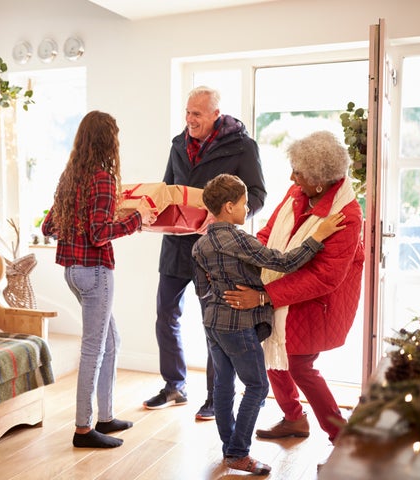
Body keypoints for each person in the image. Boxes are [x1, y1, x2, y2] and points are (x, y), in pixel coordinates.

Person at [192, 174, 345, 474]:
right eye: (244, 204)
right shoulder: (240, 240)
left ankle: (229, 448)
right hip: (238, 325)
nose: (247, 209)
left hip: (212, 322)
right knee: (258, 386)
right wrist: (317, 236)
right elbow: (284, 262)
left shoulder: (200, 244)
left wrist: (221, 290)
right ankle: (238, 453)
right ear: (228, 206)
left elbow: (202, 289)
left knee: (223, 385)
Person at [223, 131, 364, 445]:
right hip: (283, 290)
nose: (291, 177)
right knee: (270, 347)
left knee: (299, 363)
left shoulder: (348, 216)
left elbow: (325, 277)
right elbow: (268, 233)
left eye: (298, 172)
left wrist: (265, 295)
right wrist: (248, 260)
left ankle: (341, 435)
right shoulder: (296, 193)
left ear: (318, 180)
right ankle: (293, 419)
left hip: (319, 301)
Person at [143, 86, 267, 421]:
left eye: (197, 114)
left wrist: (225, 214)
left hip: (215, 249)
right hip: (175, 246)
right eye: (187, 112)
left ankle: (216, 397)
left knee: (214, 324)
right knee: (165, 315)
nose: (190, 119)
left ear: (215, 114)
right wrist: (152, 209)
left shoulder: (243, 146)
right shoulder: (177, 144)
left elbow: (257, 194)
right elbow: (167, 189)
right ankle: (174, 385)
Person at [41, 111, 157, 449]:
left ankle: (105, 417)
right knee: (94, 348)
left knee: (113, 340)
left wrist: (85, 220)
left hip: (72, 272)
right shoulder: (103, 179)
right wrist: (136, 219)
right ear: (109, 140)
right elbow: (98, 233)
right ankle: (82, 429)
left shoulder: (69, 177)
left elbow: (49, 227)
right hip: (95, 272)